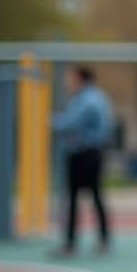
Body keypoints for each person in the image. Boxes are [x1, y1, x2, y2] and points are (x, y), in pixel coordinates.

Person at [51, 65, 114, 256]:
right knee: (94, 196)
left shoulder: (86, 100)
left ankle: (71, 243)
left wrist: (51, 121)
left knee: (76, 198)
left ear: (81, 78)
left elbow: (69, 124)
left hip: (83, 153)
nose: (68, 82)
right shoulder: (99, 97)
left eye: (71, 77)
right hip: (91, 153)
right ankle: (102, 240)